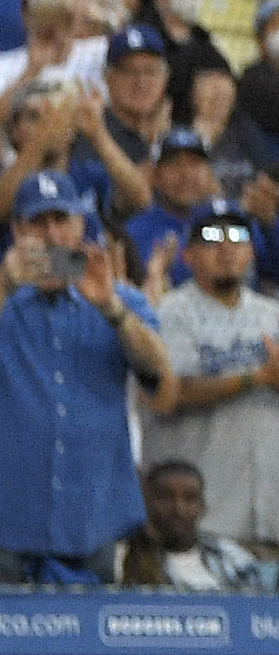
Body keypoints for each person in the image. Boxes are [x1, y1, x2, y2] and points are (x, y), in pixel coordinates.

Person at [0, 171, 171, 582]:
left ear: (80, 226)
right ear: (18, 231)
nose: (52, 235)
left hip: (93, 515)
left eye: (62, 220)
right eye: (38, 223)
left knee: (91, 644)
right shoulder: (6, 298)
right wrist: (7, 282)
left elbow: (158, 368)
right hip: (9, 518)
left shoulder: (117, 297)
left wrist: (112, 310)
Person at [140, 198, 279, 554]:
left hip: (269, 516)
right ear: (187, 255)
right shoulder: (167, 314)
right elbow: (172, 393)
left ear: (251, 251)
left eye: (236, 236)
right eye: (210, 238)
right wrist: (259, 377)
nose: (225, 248)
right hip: (197, 521)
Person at [116, 458, 267, 590]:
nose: (178, 508)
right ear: (147, 503)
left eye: (190, 498)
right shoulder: (122, 560)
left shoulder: (234, 559)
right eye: (166, 497)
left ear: (203, 506)